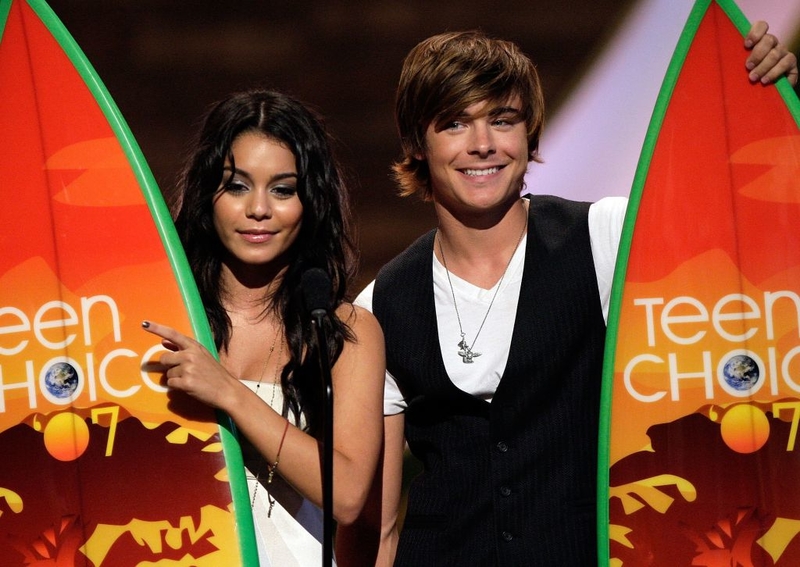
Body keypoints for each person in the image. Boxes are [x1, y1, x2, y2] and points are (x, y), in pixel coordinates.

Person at [337, 22, 799, 566]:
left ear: (530, 135)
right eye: (455, 123)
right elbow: (379, 523)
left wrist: (773, 108)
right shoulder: (382, 303)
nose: (482, 144)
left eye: (502, 120)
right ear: (417, 143)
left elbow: (751, 237)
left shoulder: (606, 237)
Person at [141, 89, 386, 566]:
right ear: (206, 196)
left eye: (282, 189)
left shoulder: (343, 329)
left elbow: (351, 494)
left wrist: (229, 393)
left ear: (309, 202)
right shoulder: (164, 312)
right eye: (236, 186)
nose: (258, 209)